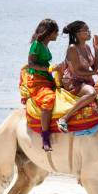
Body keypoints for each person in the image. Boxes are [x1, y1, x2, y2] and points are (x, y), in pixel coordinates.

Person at [57, 20, 98, 132]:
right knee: (92, 94)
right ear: (77, 33)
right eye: (86, 30)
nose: (89, 32)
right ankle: (64, 119)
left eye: (88, 30)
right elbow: (76, 72)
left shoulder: (88, 47)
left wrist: (96, 49)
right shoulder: (72, 48)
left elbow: (94, 68)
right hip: (74, 82)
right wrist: (94, 73)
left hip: (87, 81)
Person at [27, 19, 59, 151]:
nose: (57, 35)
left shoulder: (46, 45)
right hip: (37, 80)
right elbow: (31, 64)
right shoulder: (36, 45)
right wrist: (48, 69)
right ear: (49, 33)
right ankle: (45, 137)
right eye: (55, 32)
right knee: (49, 100)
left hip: (47, 78)